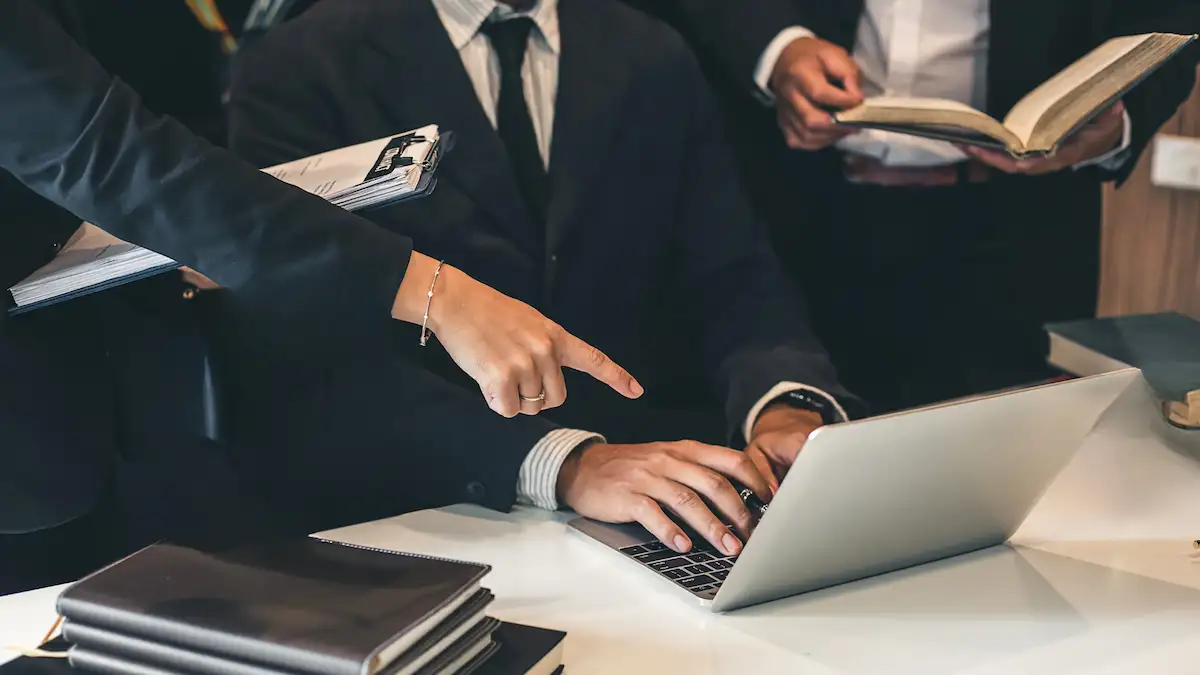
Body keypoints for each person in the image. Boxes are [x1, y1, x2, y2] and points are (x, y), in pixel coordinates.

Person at [0, 0, 642, 582]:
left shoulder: (641, 48)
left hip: (107, 410)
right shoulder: (308, 59)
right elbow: (104, 152)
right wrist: (436, 292)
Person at [223, 0, 861, 556]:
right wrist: (562, 461)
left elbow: (732, 275)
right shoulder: (300, 63)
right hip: (424, 513)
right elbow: (313, 352)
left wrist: (783, 404)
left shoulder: (649, 49)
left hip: (650, 508)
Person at [620, 0, 1200, 414]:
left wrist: (1121, 118)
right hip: (787, 207)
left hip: (1017, 226)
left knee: (995, 495)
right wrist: (776, 50)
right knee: (786, 459)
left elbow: (1170, 18)